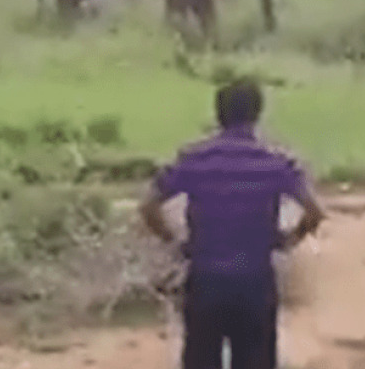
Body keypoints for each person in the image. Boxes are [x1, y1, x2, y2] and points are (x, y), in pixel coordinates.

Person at [139, 77, 326, 369]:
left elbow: (149, 206)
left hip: (205, 280)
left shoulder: (194, 158)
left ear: (218, 114)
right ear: (257, 114)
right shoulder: (274, 161)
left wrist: (176, 242)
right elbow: (314, 211)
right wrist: (286, 240)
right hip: (255, 282)